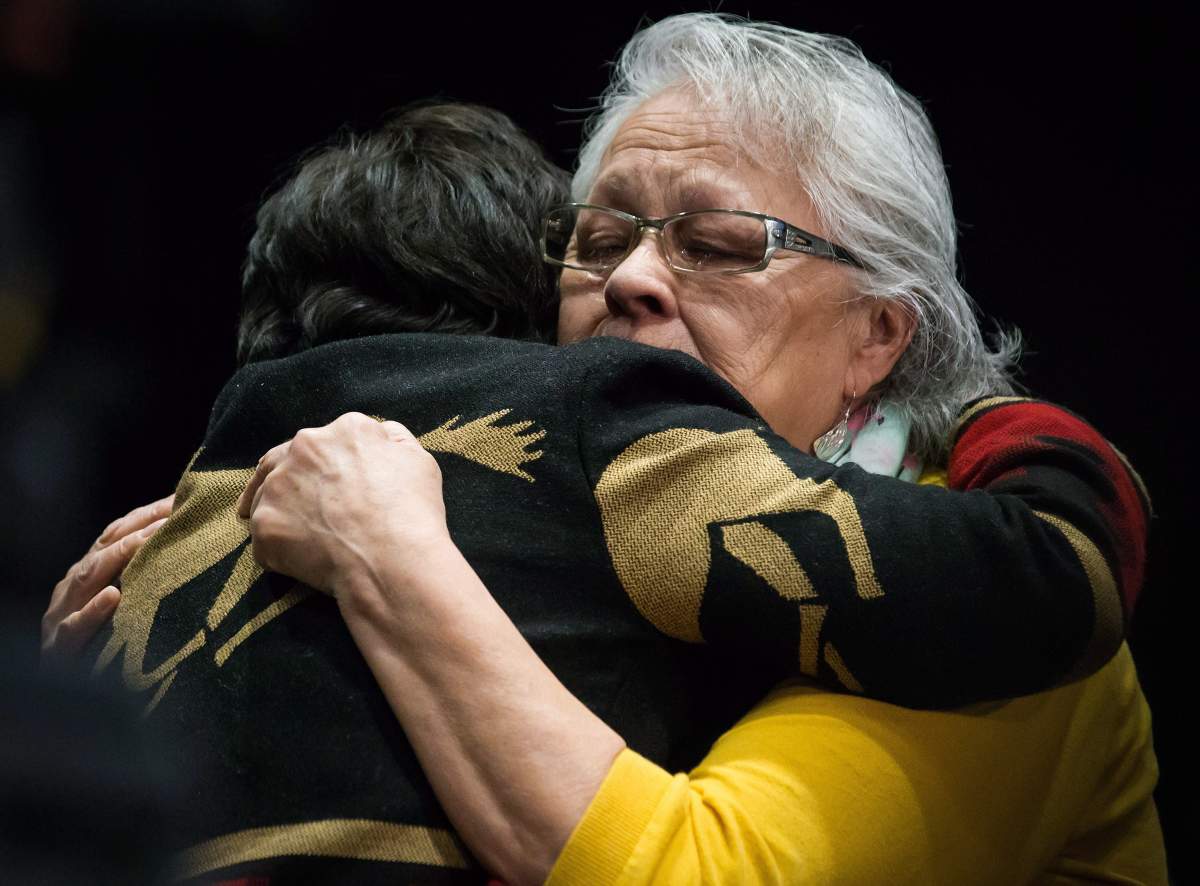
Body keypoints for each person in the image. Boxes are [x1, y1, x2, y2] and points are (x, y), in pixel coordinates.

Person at [43, 28, 1159, 885]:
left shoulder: (999, 630)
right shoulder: (511, 511)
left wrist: (388, 554)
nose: (631, 277)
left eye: (720, 246)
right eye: (600, 236)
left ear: (877, 336)